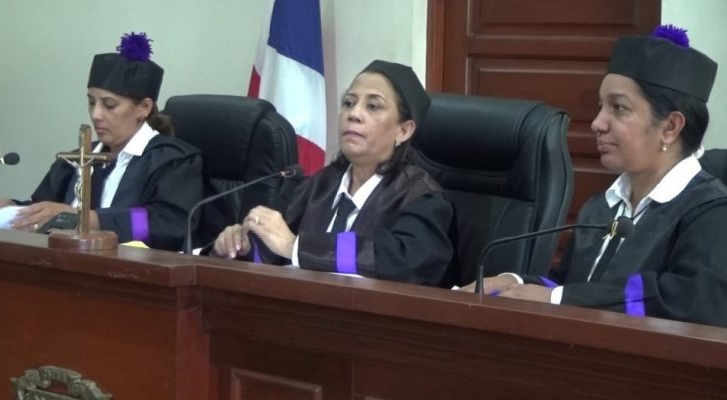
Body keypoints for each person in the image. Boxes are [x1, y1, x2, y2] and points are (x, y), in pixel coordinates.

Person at [462, 25, 727, 327]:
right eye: (601, 107)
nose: (597, 123)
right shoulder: (601, 207)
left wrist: (558, 298)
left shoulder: (711, 212)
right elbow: (575, 287)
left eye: (619, 108)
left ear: (670, 127)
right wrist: (515, 282)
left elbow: (689, 301)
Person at [212, 60, 454, 286]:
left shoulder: (421, 197)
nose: (354, 114)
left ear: (403, 131)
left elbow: (403, 262)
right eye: (348, 103)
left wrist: (296, 246)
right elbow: (274, 251)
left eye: (373, 106)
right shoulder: (316, 185)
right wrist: (244, 247)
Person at [5, 32, 203, 251]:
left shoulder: (173, 161)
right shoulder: (76, 159)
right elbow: (47, 211)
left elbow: (167, 224)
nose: (96, 114)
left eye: (109, 105)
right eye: (91, 103)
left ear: (144, 108)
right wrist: (11, 209)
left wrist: (89, 219)